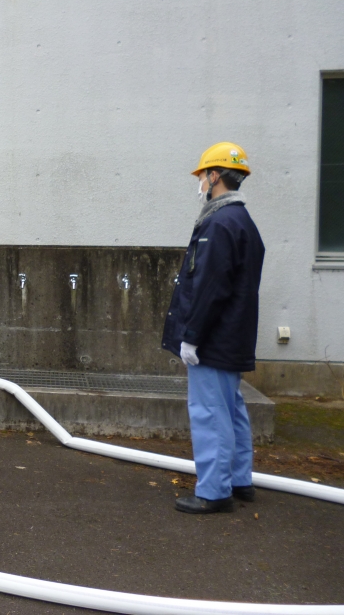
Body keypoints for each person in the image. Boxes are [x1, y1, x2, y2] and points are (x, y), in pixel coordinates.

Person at [162, 142, 265, 514]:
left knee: (210, 413)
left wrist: (191, 337)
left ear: (215, 176)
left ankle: (214, 491)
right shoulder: (241, 222)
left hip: (214, 339)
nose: (201, 182)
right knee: (231, 409)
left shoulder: (219, 223)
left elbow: (209, 287)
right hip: (232, 336)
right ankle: (239, 480)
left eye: (203, 175)